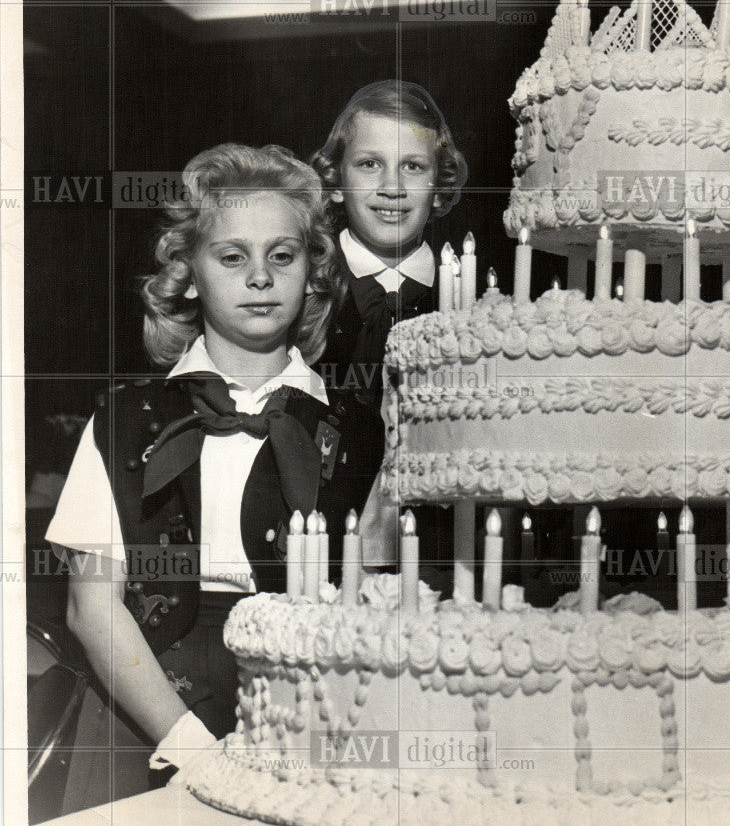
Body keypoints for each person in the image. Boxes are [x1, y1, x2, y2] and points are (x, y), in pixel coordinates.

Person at [47, 143, 380, 784]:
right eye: (232, 257)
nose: (260, 277)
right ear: (190, 273)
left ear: (312, 273)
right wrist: (194, 749)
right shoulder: (124, 421)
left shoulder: (360, 435)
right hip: (139, 714)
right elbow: (91, 609)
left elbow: (371, 608)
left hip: (304, 715)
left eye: (282, 256)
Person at [311, 81, 468, 590]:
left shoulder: (470, 305)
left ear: (440, 185)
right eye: (369, 164)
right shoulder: (295, 292)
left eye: (413, 167)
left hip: (439, 567)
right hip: (308, 563)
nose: (392, 187)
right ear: (335, 180)